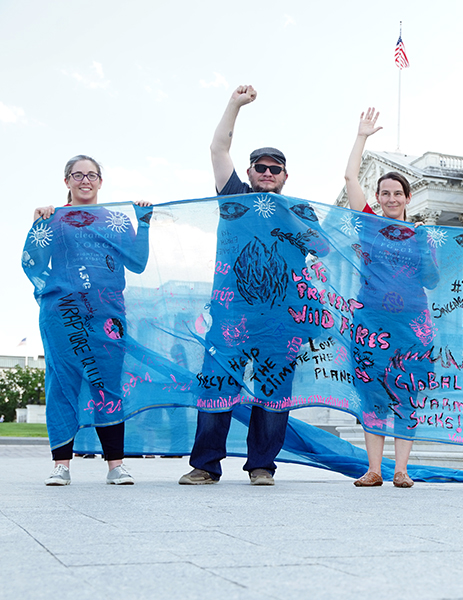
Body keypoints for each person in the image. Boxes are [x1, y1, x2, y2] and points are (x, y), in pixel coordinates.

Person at [180, 85, 313, 486]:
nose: (268, 173)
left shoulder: (301, 212)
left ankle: (261, 466)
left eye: (275, 169)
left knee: (273, 396)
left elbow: (326, 249)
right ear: (251, 172)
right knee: (217, 389)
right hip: (231, 313)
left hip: (281, 319)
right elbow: (219, 150)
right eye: (261, 167)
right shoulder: (234, 197)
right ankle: (205, 465)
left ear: (285, 177)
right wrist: (235, 105)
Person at [28, 155, 152, 485]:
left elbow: (137, 263)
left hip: (107, 317)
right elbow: (34, 261)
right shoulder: (53, 218)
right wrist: (37, 223)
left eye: (92, 175)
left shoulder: (118, 222)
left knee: (108, 386)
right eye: (77, 174)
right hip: (63, 317)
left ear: (100, 182)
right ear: (66, 181)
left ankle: (116, 466)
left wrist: (145, 222)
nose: (85, 180)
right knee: (62, 385)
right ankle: (61, 466)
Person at [343, 108, 438, 488]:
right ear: (378, 198)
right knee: (372, 394)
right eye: (385, 193)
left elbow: (432, 279)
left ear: (408, 197)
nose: (391, 198)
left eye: (398, 193)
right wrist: (362, 136)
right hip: (371, 322)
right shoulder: (367, 223)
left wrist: (428, 253)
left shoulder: (421, 235)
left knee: (407, 392)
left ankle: (401, 469)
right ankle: (374, 469)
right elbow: (350, 177)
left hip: (412, 324)